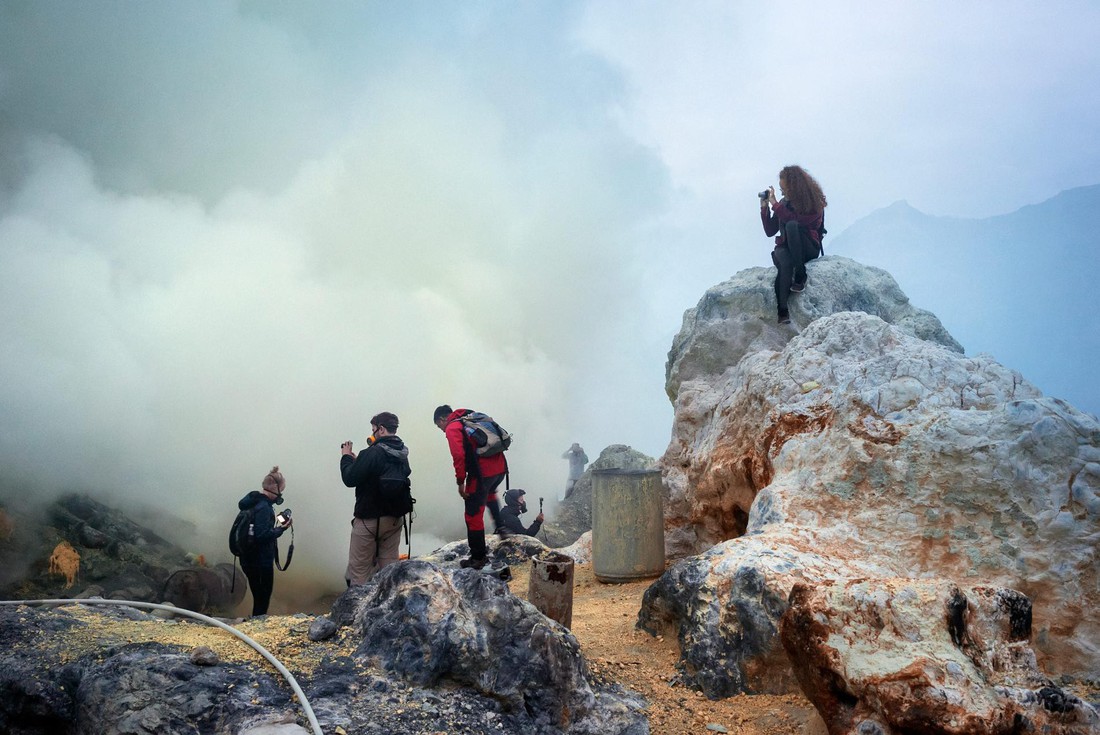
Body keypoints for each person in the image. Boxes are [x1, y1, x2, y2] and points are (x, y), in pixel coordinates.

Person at [340, 411, 412, 587]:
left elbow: (349, 479)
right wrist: (361, 462)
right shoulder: (402, 453)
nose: (372, 433)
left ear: (380, 429)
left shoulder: (372, 453)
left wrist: (346, 457)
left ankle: (358, 611)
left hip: (369, 520)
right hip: (394, 520)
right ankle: (388, 606)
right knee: (389, 568)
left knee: (359, 571)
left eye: (373, 429)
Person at [433, 404, 506, 569]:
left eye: (439, 426)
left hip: (481, 474)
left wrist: (460, 482)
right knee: (489, 494)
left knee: (473, 515)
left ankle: (478, 558)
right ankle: (501, 527)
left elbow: (458, 455)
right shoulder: (471, 417)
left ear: (442, 419)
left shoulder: (453, 427)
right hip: (499, 469)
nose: (442, 430)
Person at [760, 165, 828, 324]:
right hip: (786, 246)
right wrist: (765, 208)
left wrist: (775, 204)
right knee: (785, 262)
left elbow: (796, 221)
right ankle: (782, 311)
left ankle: (800, 274)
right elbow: (770, 231)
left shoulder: (814, 204)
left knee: (791, 225)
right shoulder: (784, 203)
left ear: (795, 187)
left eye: (784, 188)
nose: (782, 192)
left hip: (808, 246)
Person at [236, 466, 291, 617]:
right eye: (282, 490)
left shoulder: (252, 502)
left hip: (247, 559)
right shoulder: (264, 508)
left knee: (258, 596)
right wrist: (281, 529)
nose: (281, 494)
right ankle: (256, 630)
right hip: (260, 562)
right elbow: (261, 536)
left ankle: (254, 626)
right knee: (262, 599)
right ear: (276, 489)